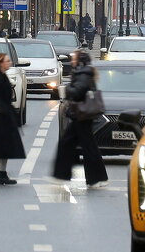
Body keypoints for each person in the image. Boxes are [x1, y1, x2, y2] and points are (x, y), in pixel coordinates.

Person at [52, 49, 108, 189]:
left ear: (80, 60)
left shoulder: (83, 73)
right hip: (80, 115)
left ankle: (92, 178)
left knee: (75, 145)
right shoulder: (84, 72)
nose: (72, 60)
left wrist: (67, 89)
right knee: (81, 145)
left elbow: (78, 92)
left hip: (81, 115)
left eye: (74, 58)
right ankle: (96, 178)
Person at [0, 52, 26, 185]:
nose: (10, 63)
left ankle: (1, 174)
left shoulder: (2, 76)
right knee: (3, 147)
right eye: (7, 61)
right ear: (0, 63)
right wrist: (5, 111)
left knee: (4, 148)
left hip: (4, 116)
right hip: (1, 118)